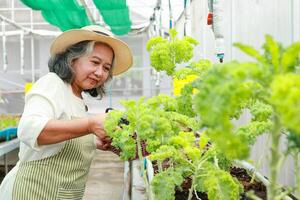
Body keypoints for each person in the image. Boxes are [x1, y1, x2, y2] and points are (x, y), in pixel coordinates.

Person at [0, 25, 133, 200]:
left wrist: (94, 140)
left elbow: (63, 138)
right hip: (32, 193)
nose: (100, 72)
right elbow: (29, 129)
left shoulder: (78, 99)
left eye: (106, 68)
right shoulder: (52, 83)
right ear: (72, 60)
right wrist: (90, 124)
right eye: (95, 62)